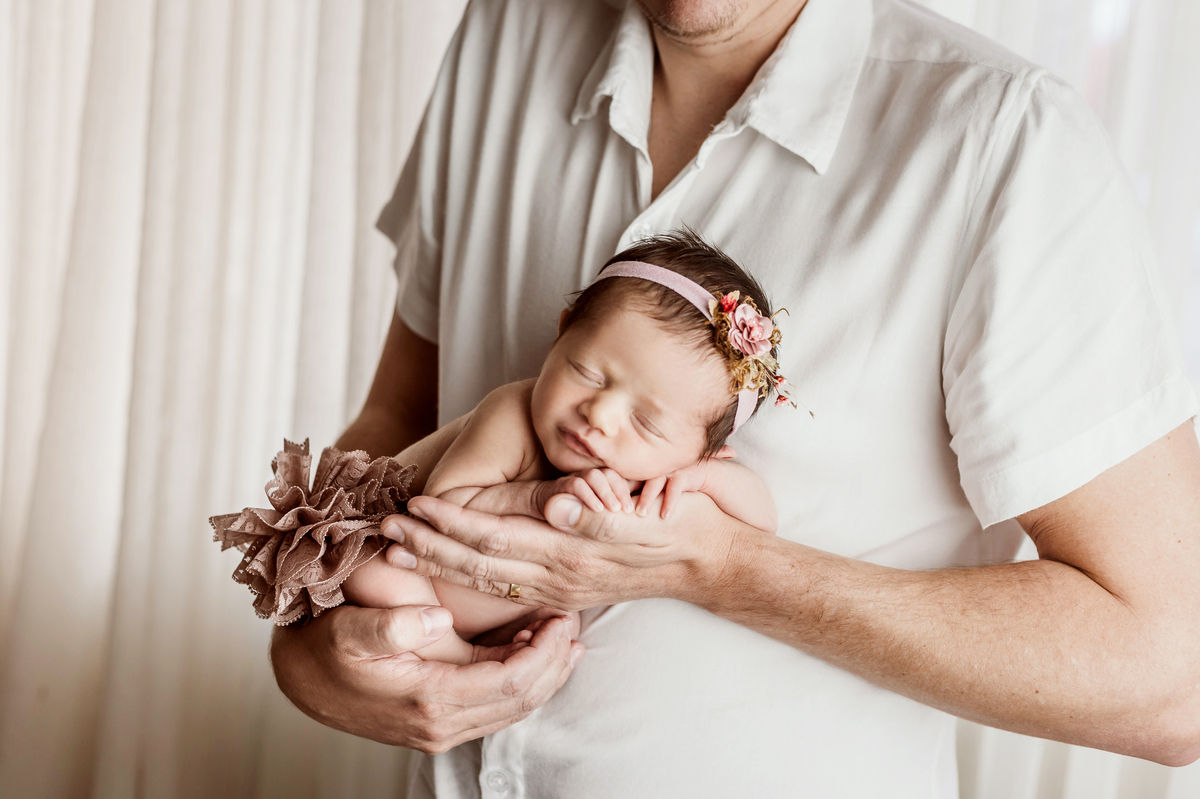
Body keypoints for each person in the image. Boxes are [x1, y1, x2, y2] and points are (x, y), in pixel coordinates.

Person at [270, 0, 1200, 795]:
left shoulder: (1004, 140)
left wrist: (719, 567)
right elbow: (395, 424)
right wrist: (310, 652)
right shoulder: (504, 33)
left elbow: (1172, 677)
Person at [340, 233, 782, 664]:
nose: (599, 414)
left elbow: (762, 522)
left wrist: (703, 476)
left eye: (645, 422)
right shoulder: (512, 414)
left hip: (512, 608)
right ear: (563, 331)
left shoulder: (670, 468)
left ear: (698, 451)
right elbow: (440, 509)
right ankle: (460, 657)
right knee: (371, 571)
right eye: (588, 373)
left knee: (560, 627)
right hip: (420, 579)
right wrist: (538, 498)